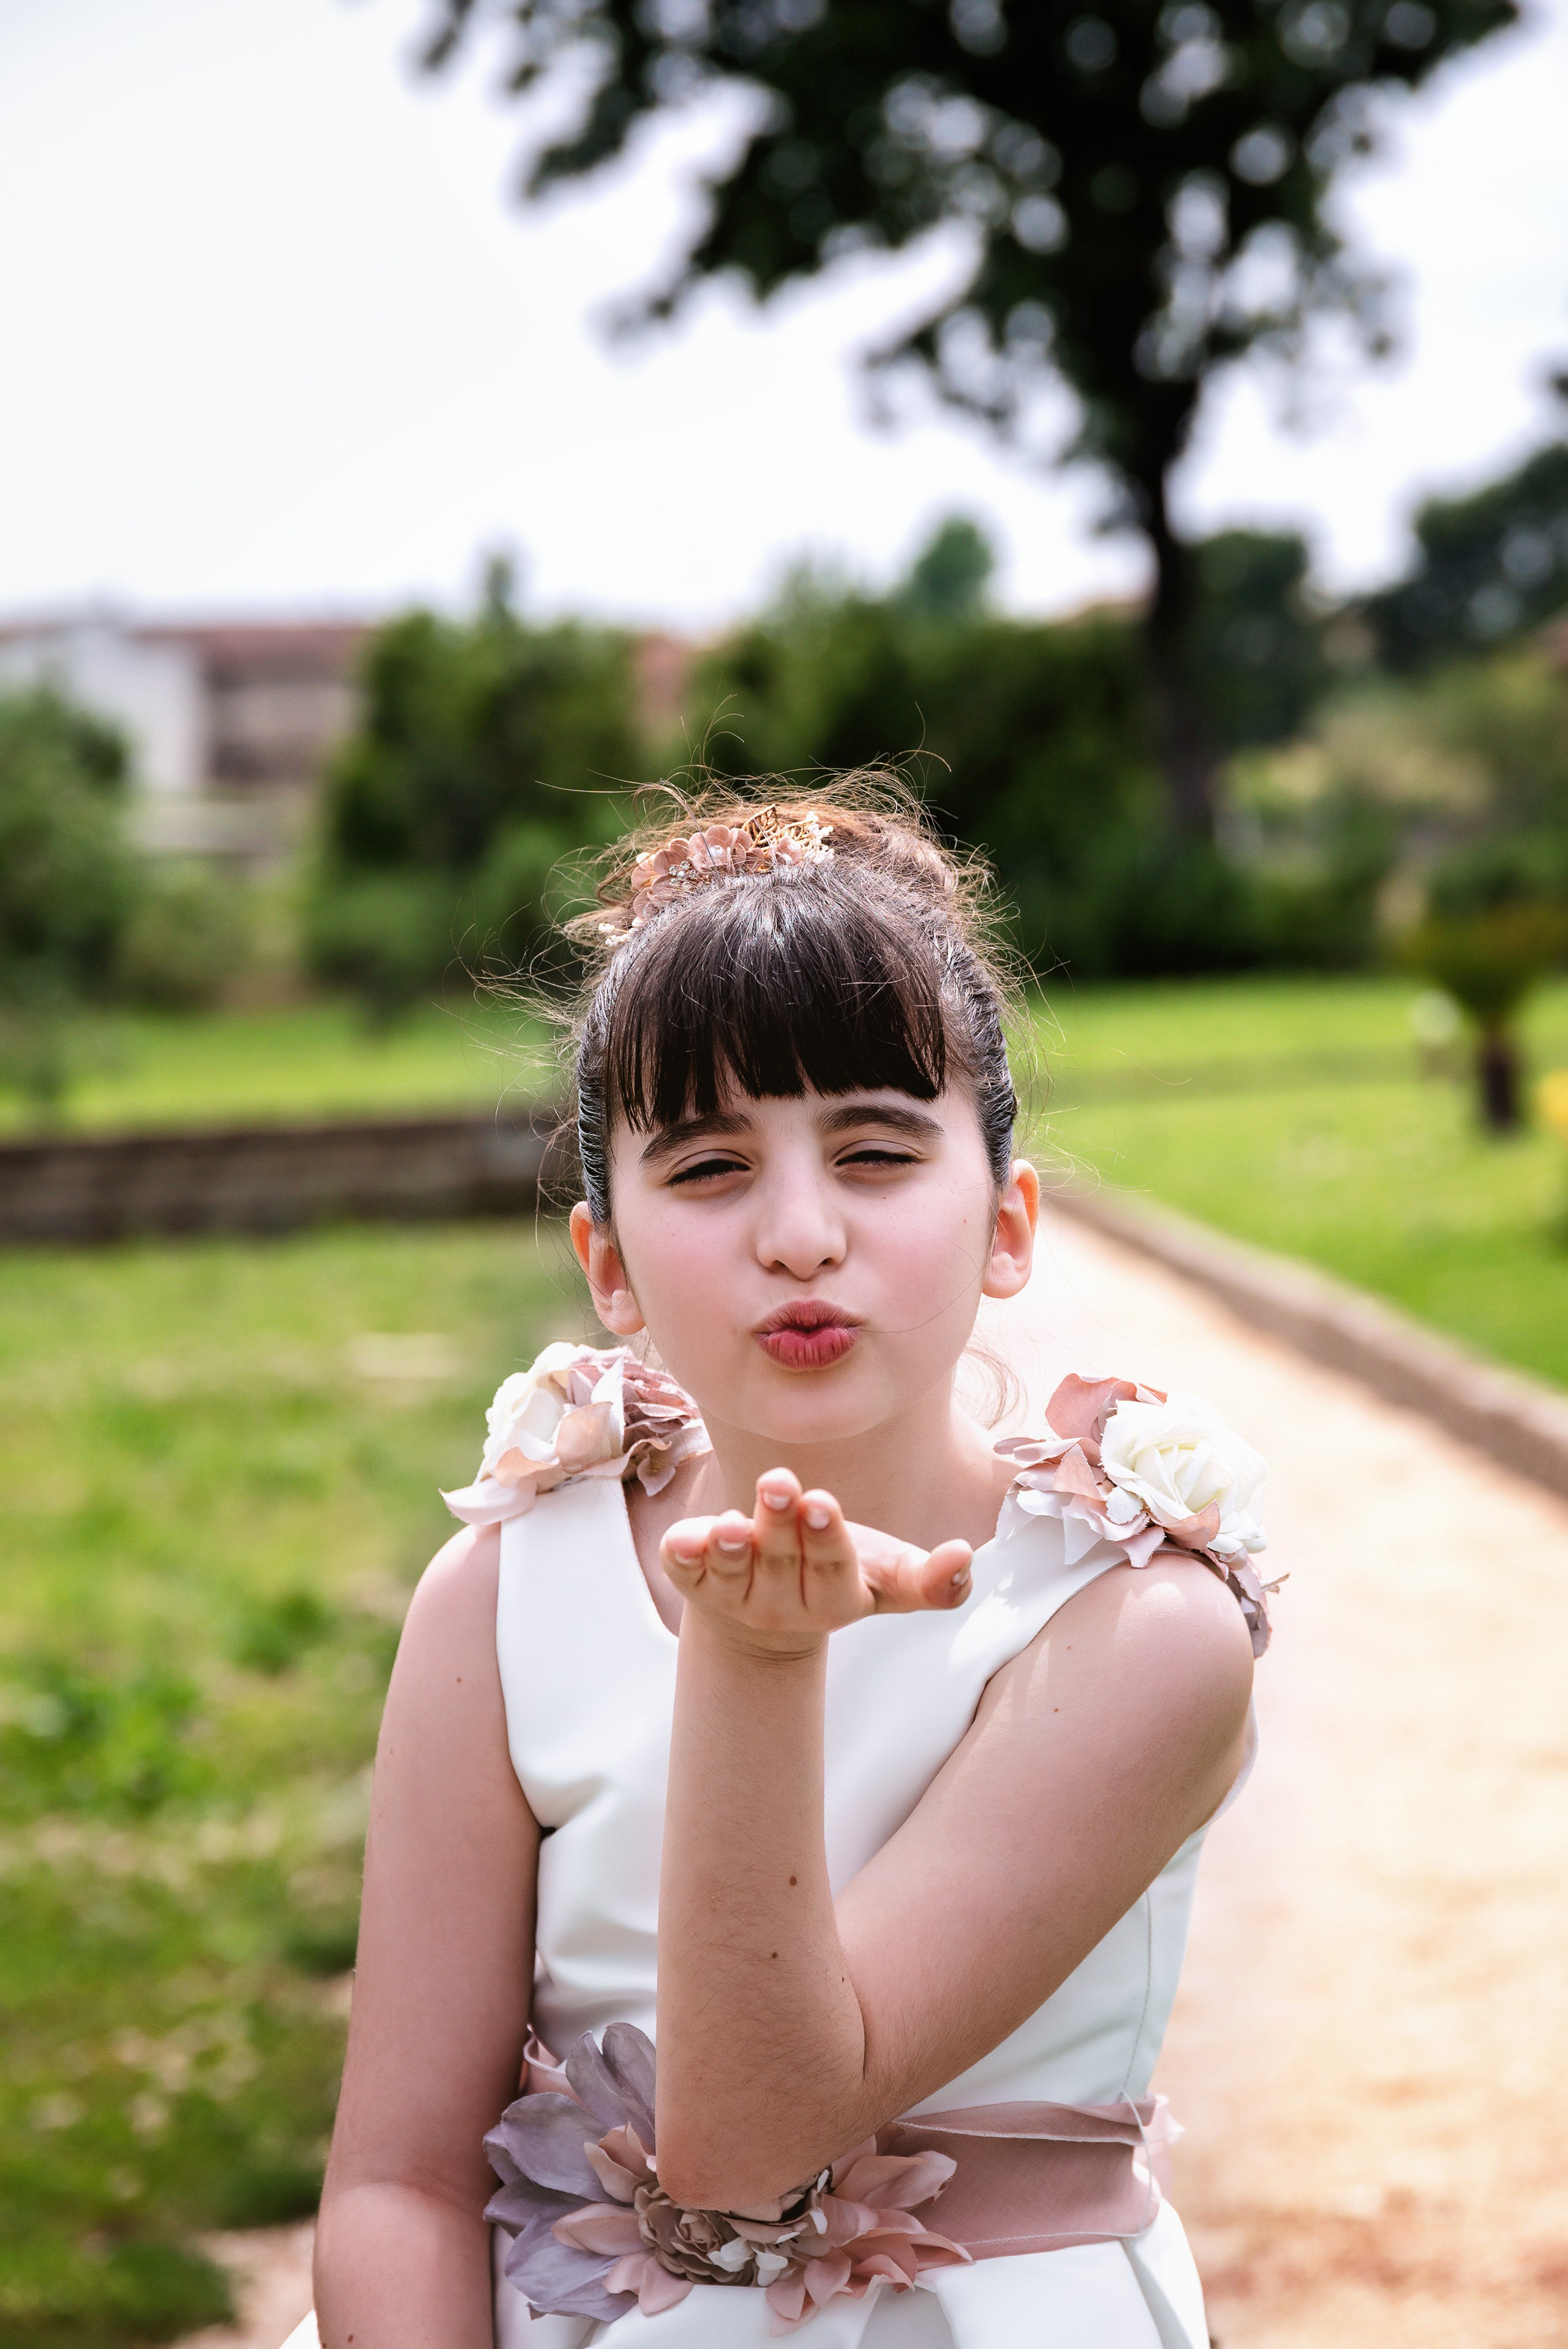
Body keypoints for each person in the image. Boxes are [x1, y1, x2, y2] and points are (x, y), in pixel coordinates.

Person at [297, 785, 1274, 2349]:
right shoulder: (501, 1596)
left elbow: (753, 2149)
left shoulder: (1128, 1627)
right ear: (604, 1261)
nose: (801, 1233)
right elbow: (396, 2179)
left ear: (1007, 1223)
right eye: (706, 1168)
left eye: (877, 1151)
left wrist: (752, 1662)